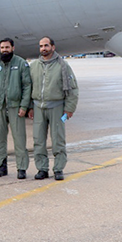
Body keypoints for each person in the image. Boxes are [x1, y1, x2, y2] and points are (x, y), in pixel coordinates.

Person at [28, 37, 79, 181]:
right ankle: (42, 169)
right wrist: (30, 107)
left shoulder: (63, 66)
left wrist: (69, 109)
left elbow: (73, 89)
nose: (43, 48)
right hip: (38, 108)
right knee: (38, 140)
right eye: (41, 46)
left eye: (46, 46)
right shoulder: (34, 66)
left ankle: (58, 169)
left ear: (53, 47)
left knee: (58, 140)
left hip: (57, 107)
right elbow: (28, 88)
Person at [0, 38, 32, 179]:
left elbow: (27, 86)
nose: (4, 50)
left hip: (15, 107)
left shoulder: (21, 64)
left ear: (12, 48)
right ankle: (1, 166)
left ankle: (21, 168)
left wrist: (24, 106)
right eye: (2, 47)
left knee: (19, 139)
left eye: (7, 47)